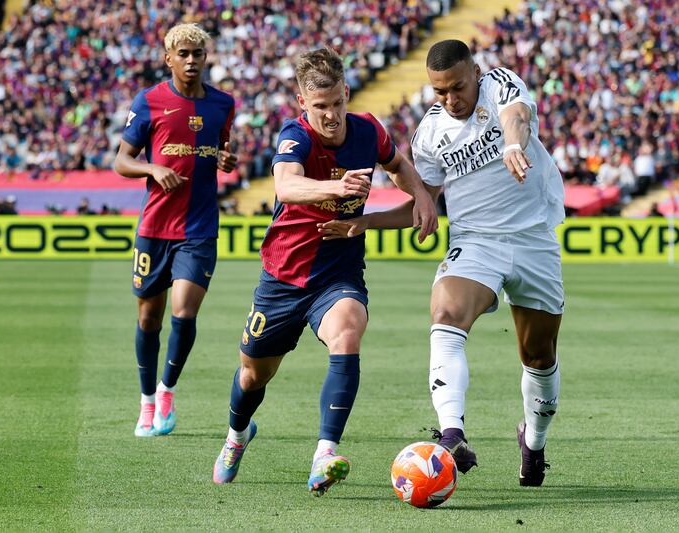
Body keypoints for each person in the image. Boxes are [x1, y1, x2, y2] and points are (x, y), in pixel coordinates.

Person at [319, 40, 565, 487]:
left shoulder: (500, 84)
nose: (450, 100)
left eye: (457, 87)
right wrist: (367, 221)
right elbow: (422, 203)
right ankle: (452, 433)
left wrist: (513, 145)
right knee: (445, 314)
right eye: (439, 92)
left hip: (533, 239)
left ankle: (534, 439)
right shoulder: (430, 133)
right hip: (475, 242)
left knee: (538, 355)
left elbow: (518, 118)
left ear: (475, 71)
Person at [211, 47, 437, 495]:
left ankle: (325, 452)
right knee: (254, 374)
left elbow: (398, 166)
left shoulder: (368, 130)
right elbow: (286, 185)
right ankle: (237, 436)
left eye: (337, 102)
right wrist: (337, 185)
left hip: (338, 275)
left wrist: (424, 197)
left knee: (348, 329)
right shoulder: (295, 137)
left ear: (346, 92)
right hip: (283, 277)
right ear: (302, 103)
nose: (331, 115)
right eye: (320, 106)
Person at [113, 23, 237, 437]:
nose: (190, 61)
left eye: (197, 54)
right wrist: (152, 167)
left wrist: (225, 162)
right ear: (168, 58)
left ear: (206, 58)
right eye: (182, 54)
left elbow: (219, 150)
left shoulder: (223, 104)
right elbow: (121, 160)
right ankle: (146, 401)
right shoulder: (148, 102)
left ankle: (167, 391)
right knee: (149, 318)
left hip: (199, 228)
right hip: (155, 226)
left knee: (184, 311)